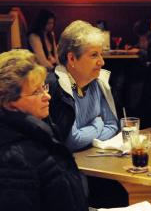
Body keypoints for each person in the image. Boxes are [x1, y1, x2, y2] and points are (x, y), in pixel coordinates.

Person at [47, 20, 129, 208]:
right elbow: (72, 140)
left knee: (117, 194)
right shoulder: (56, 87)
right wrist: (97, 124)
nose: (102, 61)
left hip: (94, 164)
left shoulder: (96, 83)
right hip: (64, 173)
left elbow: (113, 125)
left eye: (100, 54)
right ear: (72, 59)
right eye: (94, 55)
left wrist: (91, 130)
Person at [0, 49, 88, 211]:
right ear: (9, 102)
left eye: (44, 87)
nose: (47, 96)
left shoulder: (42, 129)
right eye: (36, 92)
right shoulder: (12, 158)